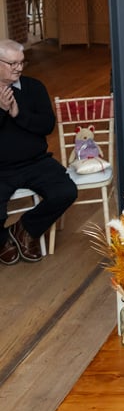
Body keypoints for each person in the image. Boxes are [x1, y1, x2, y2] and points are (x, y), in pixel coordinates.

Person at [0, 40, 77, 265]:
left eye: (21, 63)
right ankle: (3, 240)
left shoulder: (34, 87)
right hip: (1, 169)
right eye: (12, 63)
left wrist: (18, 114)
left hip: (36, 162)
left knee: (66, 191)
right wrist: (2, 110)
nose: (19, 68)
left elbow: (47, 125)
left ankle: (24, 229)